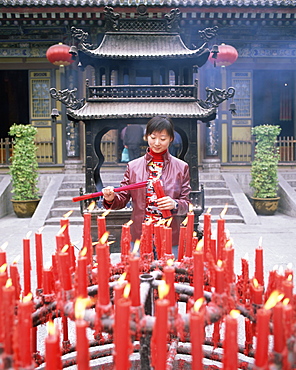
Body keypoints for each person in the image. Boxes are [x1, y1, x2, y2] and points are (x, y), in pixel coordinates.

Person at [102, 116, 191, 256]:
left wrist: (175, 204)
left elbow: (187, 203)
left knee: (168, 276)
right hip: (140, 233)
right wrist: (111, 198)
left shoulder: (181, 167)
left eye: (162, 139)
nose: (157, 143)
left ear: (171, 139)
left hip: (170, 234)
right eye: (153, 137)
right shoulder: (133, 167)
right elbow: (123, 198)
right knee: (139, 274)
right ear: (146, 136)